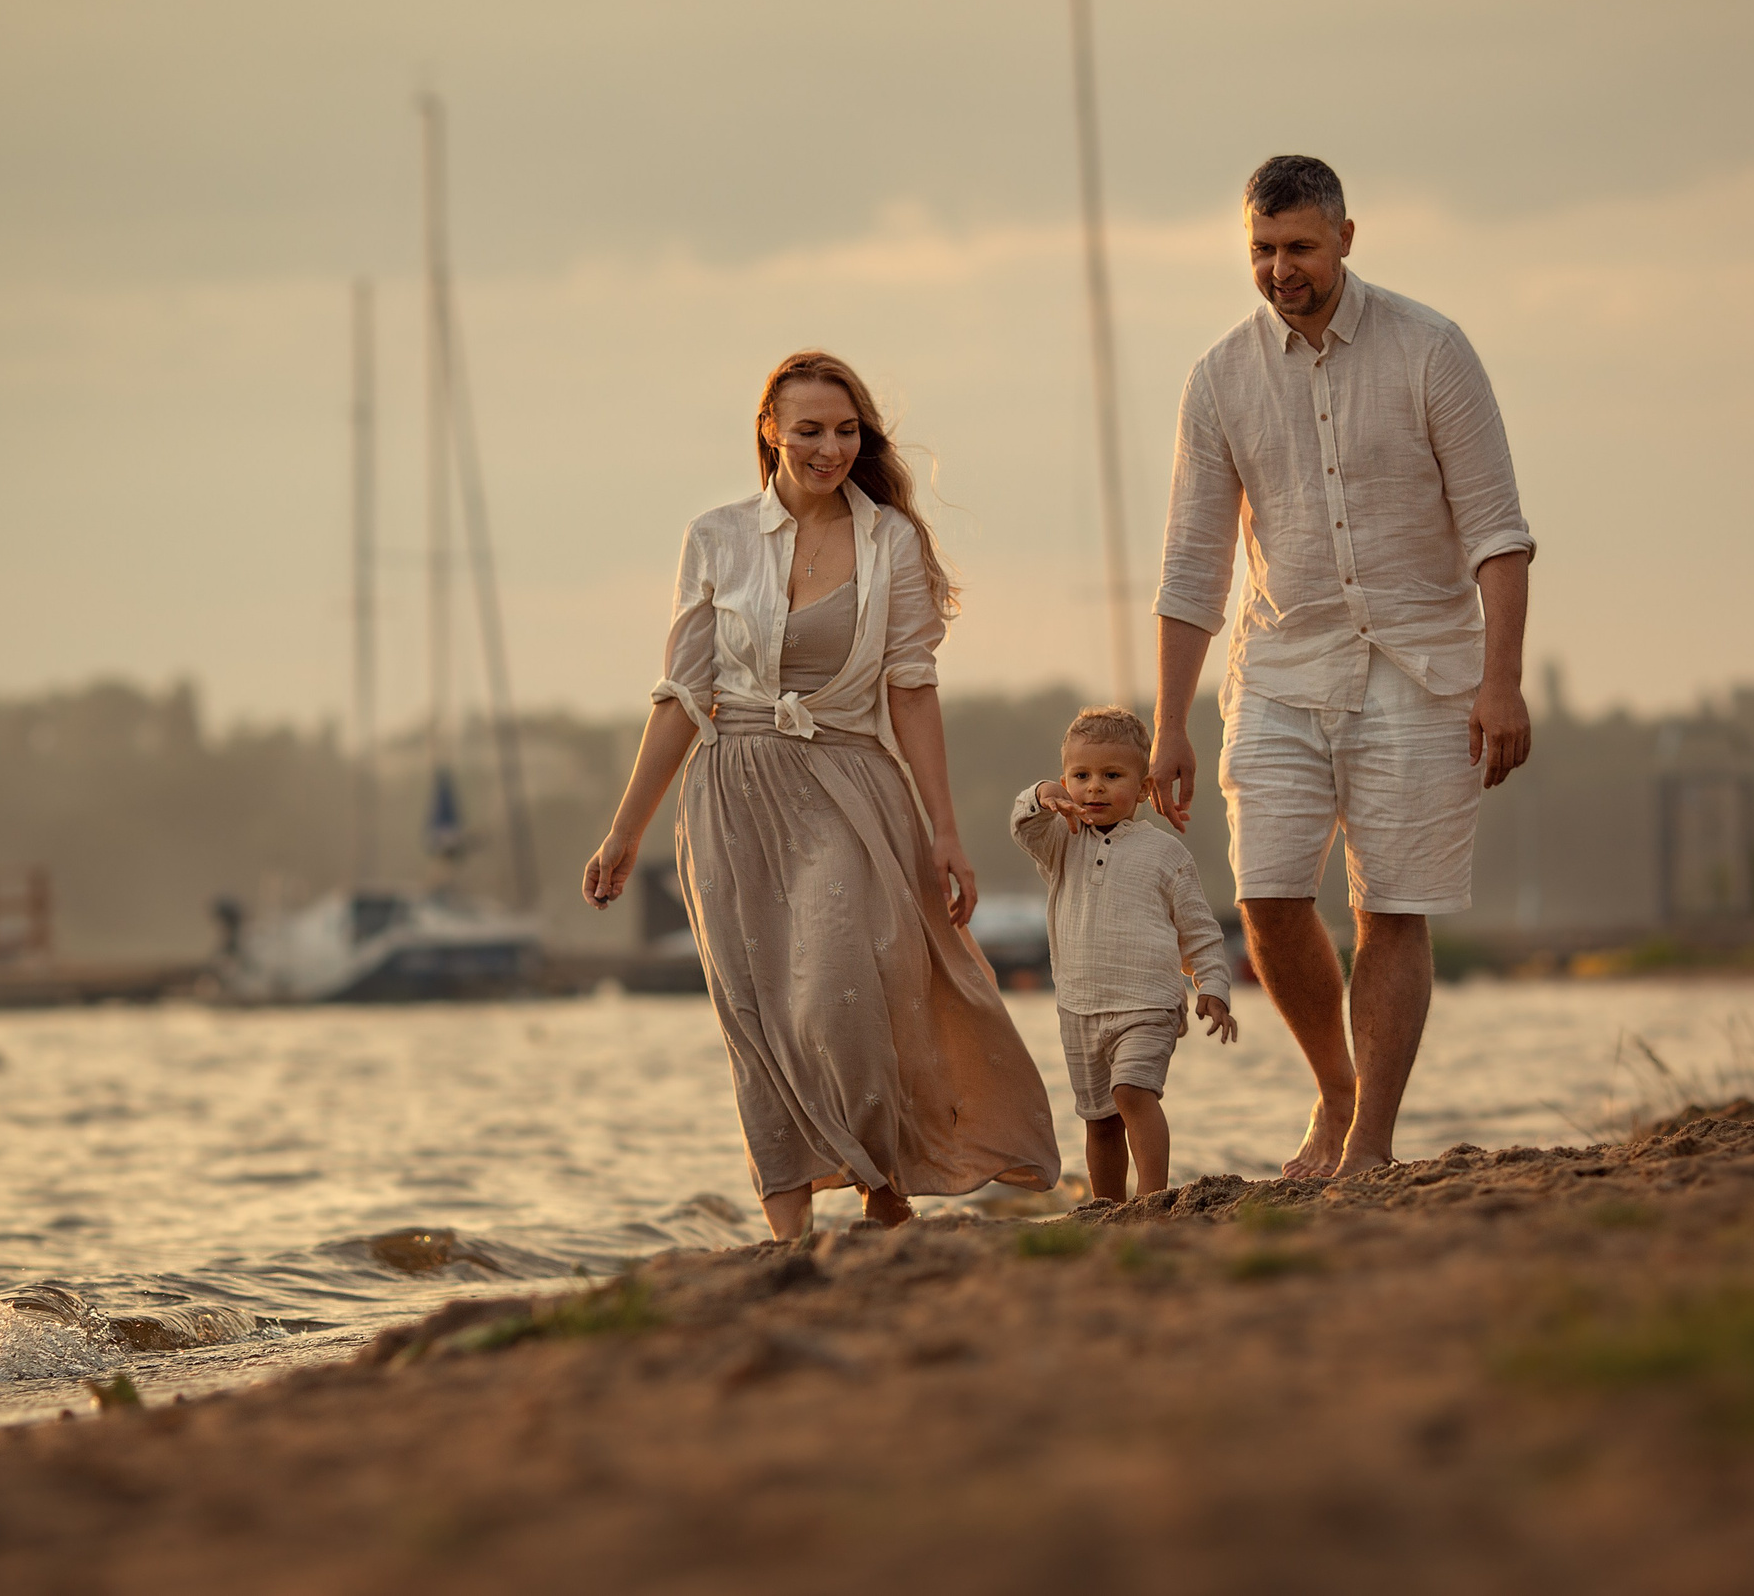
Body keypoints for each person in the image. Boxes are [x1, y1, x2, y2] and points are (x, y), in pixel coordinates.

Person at [583, 350, 1060, 1239]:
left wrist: (946, 833)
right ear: (770, 429)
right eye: (809, 430)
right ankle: (789, 1234)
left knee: (839, 990)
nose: (829, 448)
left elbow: (911, 688)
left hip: (849, 782)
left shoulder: (895, 542)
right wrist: (624, 833)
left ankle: (885, 1184)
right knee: (759, 1012)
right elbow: (683, 695)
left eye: (846, 431)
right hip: (730, 796)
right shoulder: (716, 536)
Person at [1149, 155, 1535, 1180]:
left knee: (1389, 908)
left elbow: (1498, 533)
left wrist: (1500, 681)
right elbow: (1192, 566)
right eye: (1261, 251)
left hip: (1420, 669)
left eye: (1299, 249)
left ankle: (1368, 1143)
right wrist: (1166, 725)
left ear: (1346, 239)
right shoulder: (1219, 378)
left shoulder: (1432, 351)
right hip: (1279, 665)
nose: (1280, 270)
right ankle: (1335, 1087)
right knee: (1268, 898)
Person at [1012, 706, 1236, 1203]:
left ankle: (1153, 1197)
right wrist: (1043, 794)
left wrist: (1213, 987)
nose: (1094, 788)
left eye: (1112, 776)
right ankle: (1107, 1208)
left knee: (1132, 1092)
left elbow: (1200, 931)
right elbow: (1023, 825)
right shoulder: (1061, 841)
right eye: (1080, 776)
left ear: (1141, 788)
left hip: (1148, 1002)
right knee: (1099, 1120)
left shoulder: (1165, 854)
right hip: (1079, 1005)